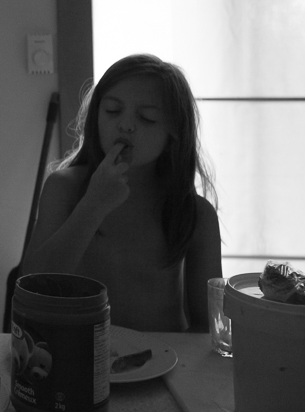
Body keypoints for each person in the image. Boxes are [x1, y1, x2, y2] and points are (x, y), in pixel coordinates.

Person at [21, 54, 222, 332]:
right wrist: (92, 205)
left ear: (174, 131)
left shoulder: (195, 213)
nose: (126, 125)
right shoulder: (64, 188)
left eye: (147, 118)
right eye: (113, 111)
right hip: (79, 356)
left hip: (166, 362)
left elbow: (208, 325)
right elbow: (32, 285)